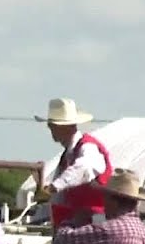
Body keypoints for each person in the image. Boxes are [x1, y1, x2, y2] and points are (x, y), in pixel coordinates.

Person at [33, 98, 113, 230]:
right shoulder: (69, 155)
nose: (50, 128)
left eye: (53, 124)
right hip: (78, 225)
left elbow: (85, 168)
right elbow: (61, 196)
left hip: (94, 225)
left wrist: (52, 188)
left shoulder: (88, 147)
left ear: (66, 126)